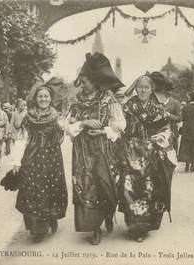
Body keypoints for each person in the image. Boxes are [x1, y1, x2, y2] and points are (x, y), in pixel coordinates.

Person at [63, 52, 126, 245]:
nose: (82, 85)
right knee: (87, 189)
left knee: (106, 186)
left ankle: (107, 214)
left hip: (105, 151)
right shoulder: (75, 102)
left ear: (95, 80)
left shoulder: (108, 99)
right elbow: (66, 126)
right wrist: (84, 122)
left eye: (85, 81)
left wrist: (104, 131)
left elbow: (121, 125)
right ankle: (95, 228)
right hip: (82, 154)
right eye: (81, 81)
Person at [117, 72, 176, 242]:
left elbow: (166, 129)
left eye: (146, 87)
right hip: (131, 153)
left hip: (151, 154)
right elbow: (120, 128)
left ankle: (145, 227)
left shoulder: (157, 108)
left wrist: (162, 139)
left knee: (149, 189)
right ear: (135, 89)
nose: (143, 90)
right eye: (140, 87)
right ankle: (134, 227)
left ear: (152, 89)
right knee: (130, 189)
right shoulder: (127, 107)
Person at [13, 77, 68, 242]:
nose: (43, 99)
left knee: (51, 189)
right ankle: (38, 228)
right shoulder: (28, 118)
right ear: (35, 99)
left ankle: (51, 218)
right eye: (40, 97)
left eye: (46, 96)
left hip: (52, 160)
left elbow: (68, 129)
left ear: (51, 99)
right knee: (31, 189)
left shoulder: (57, 116)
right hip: (33, 158)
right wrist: (17, 161)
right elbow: (22, 139)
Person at [162, 84, 182, 152]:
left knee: (172, 152)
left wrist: (169, 115)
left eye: (169, 90)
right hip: (160, 131)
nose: (167, 92)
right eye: (165, 90)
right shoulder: (158, 102)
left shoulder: (175, 103)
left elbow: (179, 118)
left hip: (172, 130)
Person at [0, 100, 9, 169]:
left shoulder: (3, 114)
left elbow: (7, 123)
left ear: (0, 105)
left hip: (1, 133)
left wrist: (6, 133)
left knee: (0, 149)